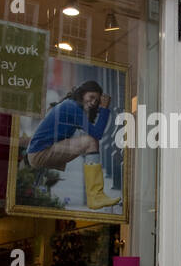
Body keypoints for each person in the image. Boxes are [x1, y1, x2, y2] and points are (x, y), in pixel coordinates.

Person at [26, 79, 121, 209]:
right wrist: (104, 109)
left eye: (96, 100)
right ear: (82, 93)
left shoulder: (73, 106)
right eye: (91, 97)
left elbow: (94, 128)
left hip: (40, 151)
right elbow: (97, 133)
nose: (93, 102)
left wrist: (100, 109)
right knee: (90, 141)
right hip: (40, 152)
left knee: (89, 141)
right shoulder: (72, 107)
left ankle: (96, 196)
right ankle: (95, 196)